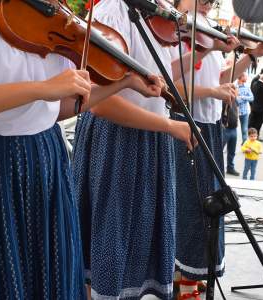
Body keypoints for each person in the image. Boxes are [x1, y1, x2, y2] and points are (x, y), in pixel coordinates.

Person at [0, 0, 167, 299]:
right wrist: (40, 87)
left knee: (52, 278)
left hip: (46, 157)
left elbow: (61, 106)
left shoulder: (41, 15)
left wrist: (124, 82)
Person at [72, 0, 197, 299]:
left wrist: (200, 53)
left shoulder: (154, 14)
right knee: (111, 239)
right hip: (117, 140)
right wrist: (169, 126)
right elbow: (99, 102)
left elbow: (157, 75)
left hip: (150, 137)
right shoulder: (109, 14)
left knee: (139, 243)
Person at [170, 0, 263, 299]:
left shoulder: (206, 35)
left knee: (210, 203)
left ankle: (194, 272)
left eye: (210, 3)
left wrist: (250, 56)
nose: (206, 5)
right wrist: (213, 91)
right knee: (191, 205)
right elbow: (172, 87)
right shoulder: (177, 34)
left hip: (209, 125)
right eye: (200, 1)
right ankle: (185, 278)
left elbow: (219, 79)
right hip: (185, 125)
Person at [250, 70, 263, 141]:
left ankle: (252, 136)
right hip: (261, 108)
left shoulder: (255, 84)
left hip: (254, 106)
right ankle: (256, 137)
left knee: (253, 122)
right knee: (258, 123)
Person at [222, 100, 240, 176]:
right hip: (225, 129)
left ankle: (230, 168)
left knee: (232, 151)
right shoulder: (223, 100)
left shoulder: (235, 100)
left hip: (234, 129)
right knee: (219, 150)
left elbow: (237, 111)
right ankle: (219, 169)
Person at [236, 72, 253, 143]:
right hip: (235, 112)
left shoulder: (247, 87)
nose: (247, 78)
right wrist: (243, 99)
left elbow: (252, 98)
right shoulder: (234, 86)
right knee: (231, 130)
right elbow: (237, 100)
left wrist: (242, 97)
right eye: (245, 76)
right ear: (241, 77)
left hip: (244, 112)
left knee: (244, 129)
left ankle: (245, 144)